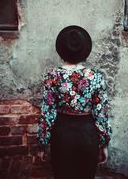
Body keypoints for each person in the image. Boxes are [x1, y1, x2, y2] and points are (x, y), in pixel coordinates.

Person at [36, 25, 112, 179]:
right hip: (88, 135)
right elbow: (101, 113)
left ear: (62, 50)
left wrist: (42, 144)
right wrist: (104, 144)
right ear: (84, 51)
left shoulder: (53, 76)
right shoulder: (95, 77)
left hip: (62, 135)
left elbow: (47, 112)